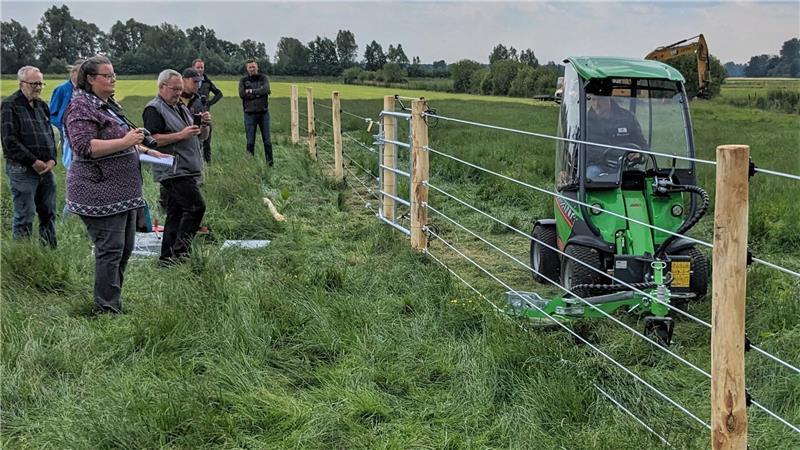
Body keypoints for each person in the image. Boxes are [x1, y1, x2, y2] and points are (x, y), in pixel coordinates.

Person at [64, 55, 166, 314]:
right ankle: (106, 308)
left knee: (124, 249)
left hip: (122, 193)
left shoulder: (107, 105)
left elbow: (122, 138)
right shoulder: (80, 107)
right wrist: (126, 142)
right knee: (110, 250)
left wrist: (145, 149)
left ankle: (112, 300)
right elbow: (84, 146)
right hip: (98, 192)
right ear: (90, 79)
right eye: (107, 76)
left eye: (114, 76)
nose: (113, 80)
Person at [143, 69, 210, 266]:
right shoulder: (153, 109)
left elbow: (199, 137)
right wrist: (181, 134)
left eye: (180, 89)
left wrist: (203, 126)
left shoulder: (180, 107)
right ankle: (181, 254)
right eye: (174, 89)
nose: (178, 93)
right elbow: (152, 139)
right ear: (162, 87)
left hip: (186, 167)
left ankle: (167, 258)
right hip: (172, 168)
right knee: (196, 207)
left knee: (176, 213)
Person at [1, 66, 58, 248]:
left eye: (40, 83)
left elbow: (49, 134)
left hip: (45, 170)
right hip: (22, 169)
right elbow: (9, 141)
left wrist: (52, 159)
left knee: (48, 213)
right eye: (34, 83)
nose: (38, 87)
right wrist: (33, 161)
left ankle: (49, 253)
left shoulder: (42, 106)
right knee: (25, 216)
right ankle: (22, 258)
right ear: (21, 84)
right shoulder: (10, 105)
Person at [585, 81, 647, 181]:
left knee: (643, 180)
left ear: (609, 97)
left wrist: (639, 153)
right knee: (591, 175)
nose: (596, 104)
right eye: (593, 100)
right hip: (597, 167)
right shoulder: (585, 121)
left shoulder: (627, 118)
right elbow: (576, 150)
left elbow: (643, 145)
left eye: (600, 100)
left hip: (626, 167)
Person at [50, 59, 85, 169]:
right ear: (73, 73)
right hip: (66, 128)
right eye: (80, 73)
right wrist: (62, 126)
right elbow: (52, 113)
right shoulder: (61, 89)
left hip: (83, 128)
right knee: (69, 158)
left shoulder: (85, 90)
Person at [239, 59, 273, 166]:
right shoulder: (243, 80)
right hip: (249, 114)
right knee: (250, 141)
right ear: (247, 69)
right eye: (250, 67)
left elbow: (266, 89)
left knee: (267, 141)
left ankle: (270, 164)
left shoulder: (264, 78)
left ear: (257, 67)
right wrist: (259, 92)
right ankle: (250, 165)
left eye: (254, 67)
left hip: (263, 114)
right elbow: (242, 94)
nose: (252, 69)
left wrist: (251, 92)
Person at [192, 58, 223, 163]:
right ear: (193, 68)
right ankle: (195, 161)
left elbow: (219, 94)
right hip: (192, 114)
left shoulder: (207, 82)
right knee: (194, 141)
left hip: (205, 114)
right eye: (198, 67)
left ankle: (208, 163)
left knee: (207, 141)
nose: (200, 69)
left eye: (202, 67)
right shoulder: (189, 81)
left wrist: (209, 103)